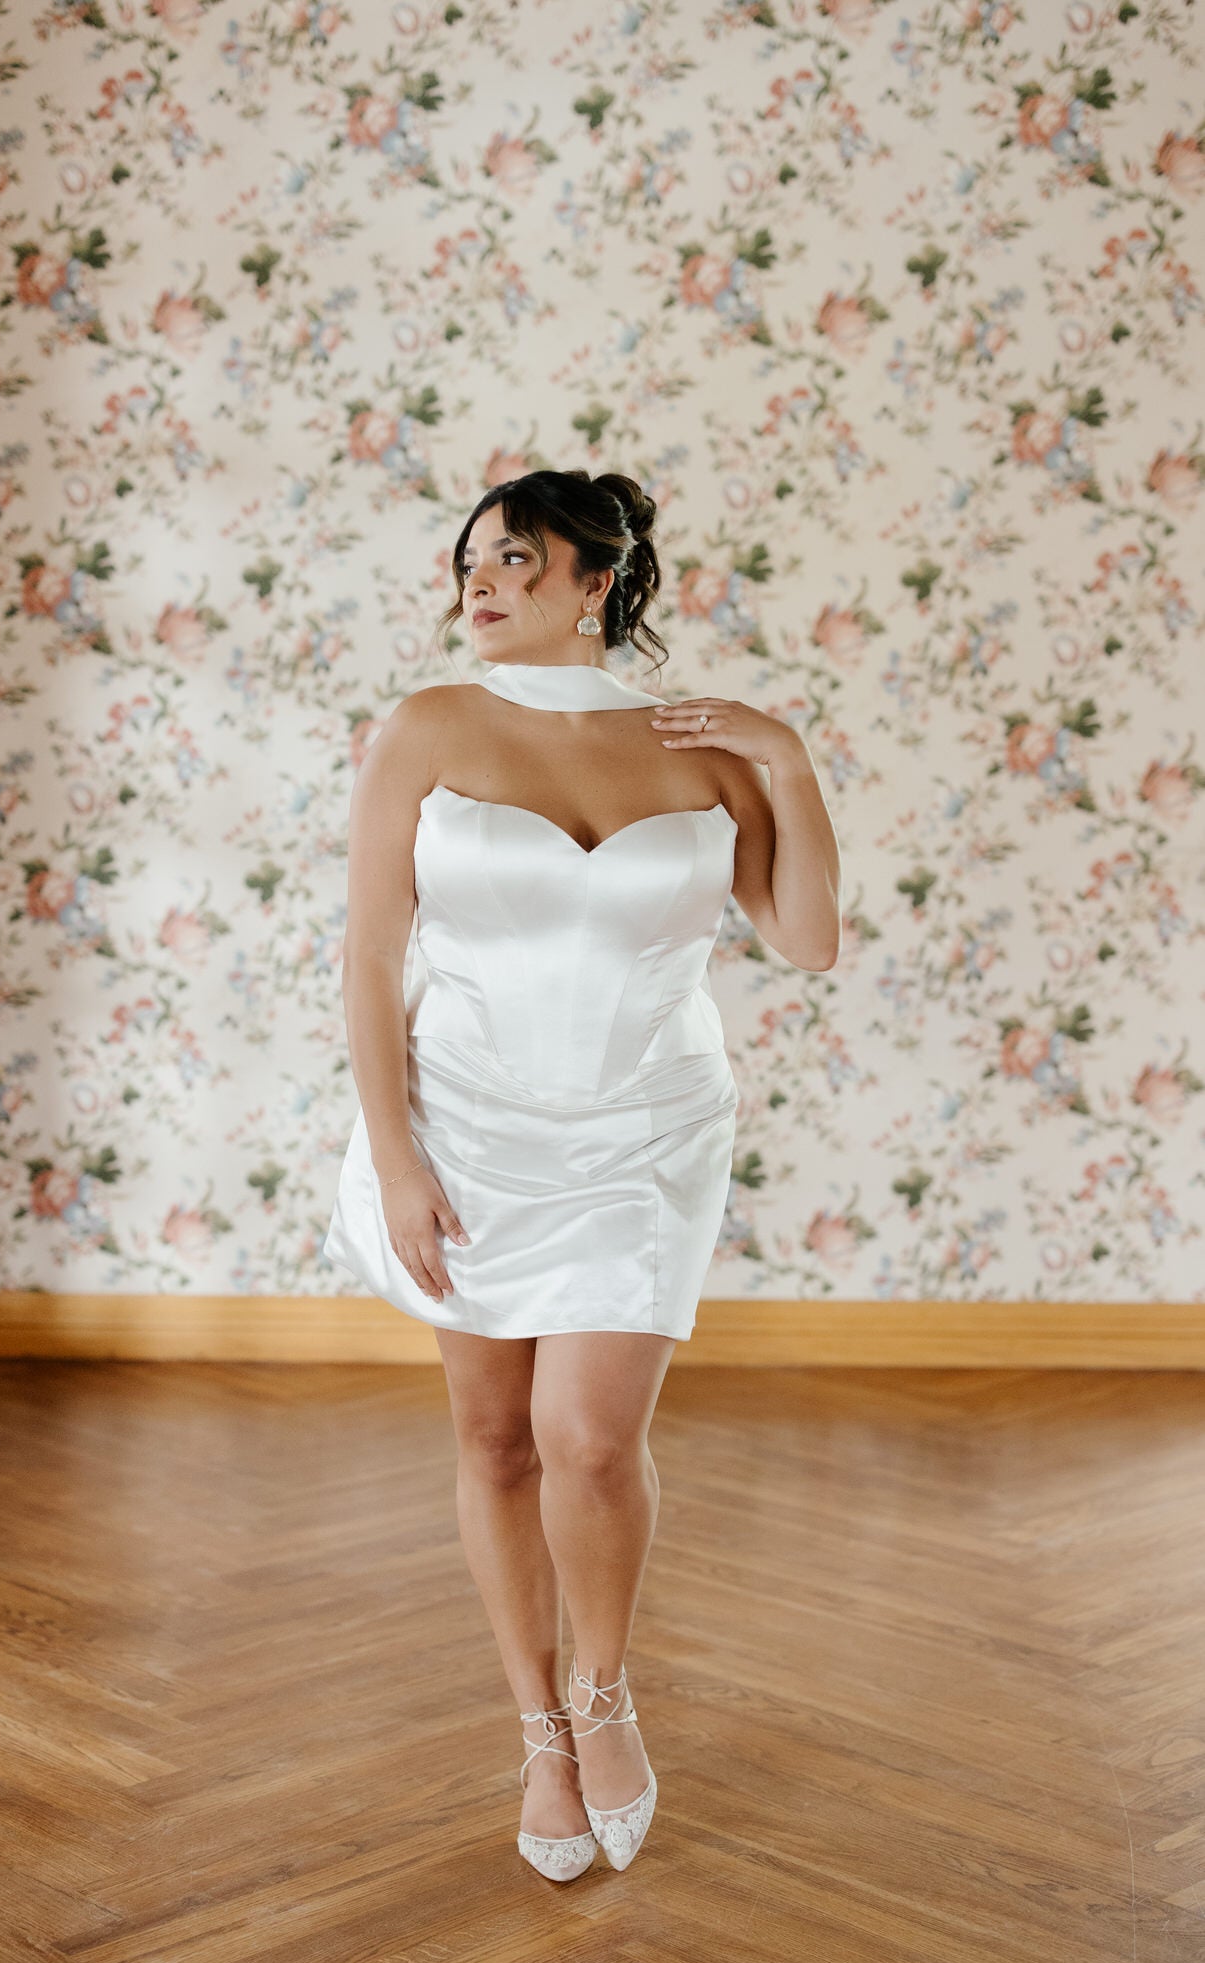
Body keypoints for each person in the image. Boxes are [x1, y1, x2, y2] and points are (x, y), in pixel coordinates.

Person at [322, 468, 841, 1879]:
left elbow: (804, 941)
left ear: (591, 581)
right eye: (468, 564)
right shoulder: (426, 727)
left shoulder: (704, 745)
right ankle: (539, 1733)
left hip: (648, 1129)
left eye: (511, 561)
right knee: (494, 1439)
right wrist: (397, 1158)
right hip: (468, 1126)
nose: (476, 586)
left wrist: (787, 759)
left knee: (591, 1440)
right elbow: (369, 957)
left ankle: (605, 1697)